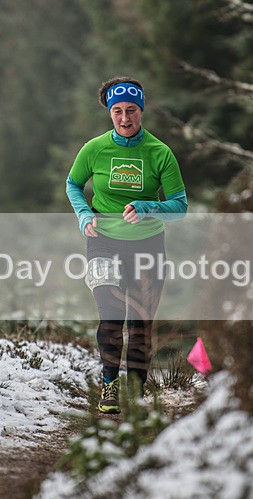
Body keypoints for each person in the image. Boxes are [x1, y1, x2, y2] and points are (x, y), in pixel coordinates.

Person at [65, 76, 188, 414]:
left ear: (141, 111)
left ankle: (135, 391)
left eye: (131, 110)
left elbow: (180, 207)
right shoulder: (94, 149)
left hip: (148, 245)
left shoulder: (160, 152)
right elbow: (73, 184)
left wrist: (149, 207)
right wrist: (83, 214)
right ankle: (109, 385)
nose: (124, 118)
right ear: (109, 112)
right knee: (110, 316)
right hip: (103, 242)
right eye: (117, 110)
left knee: (140, 323)